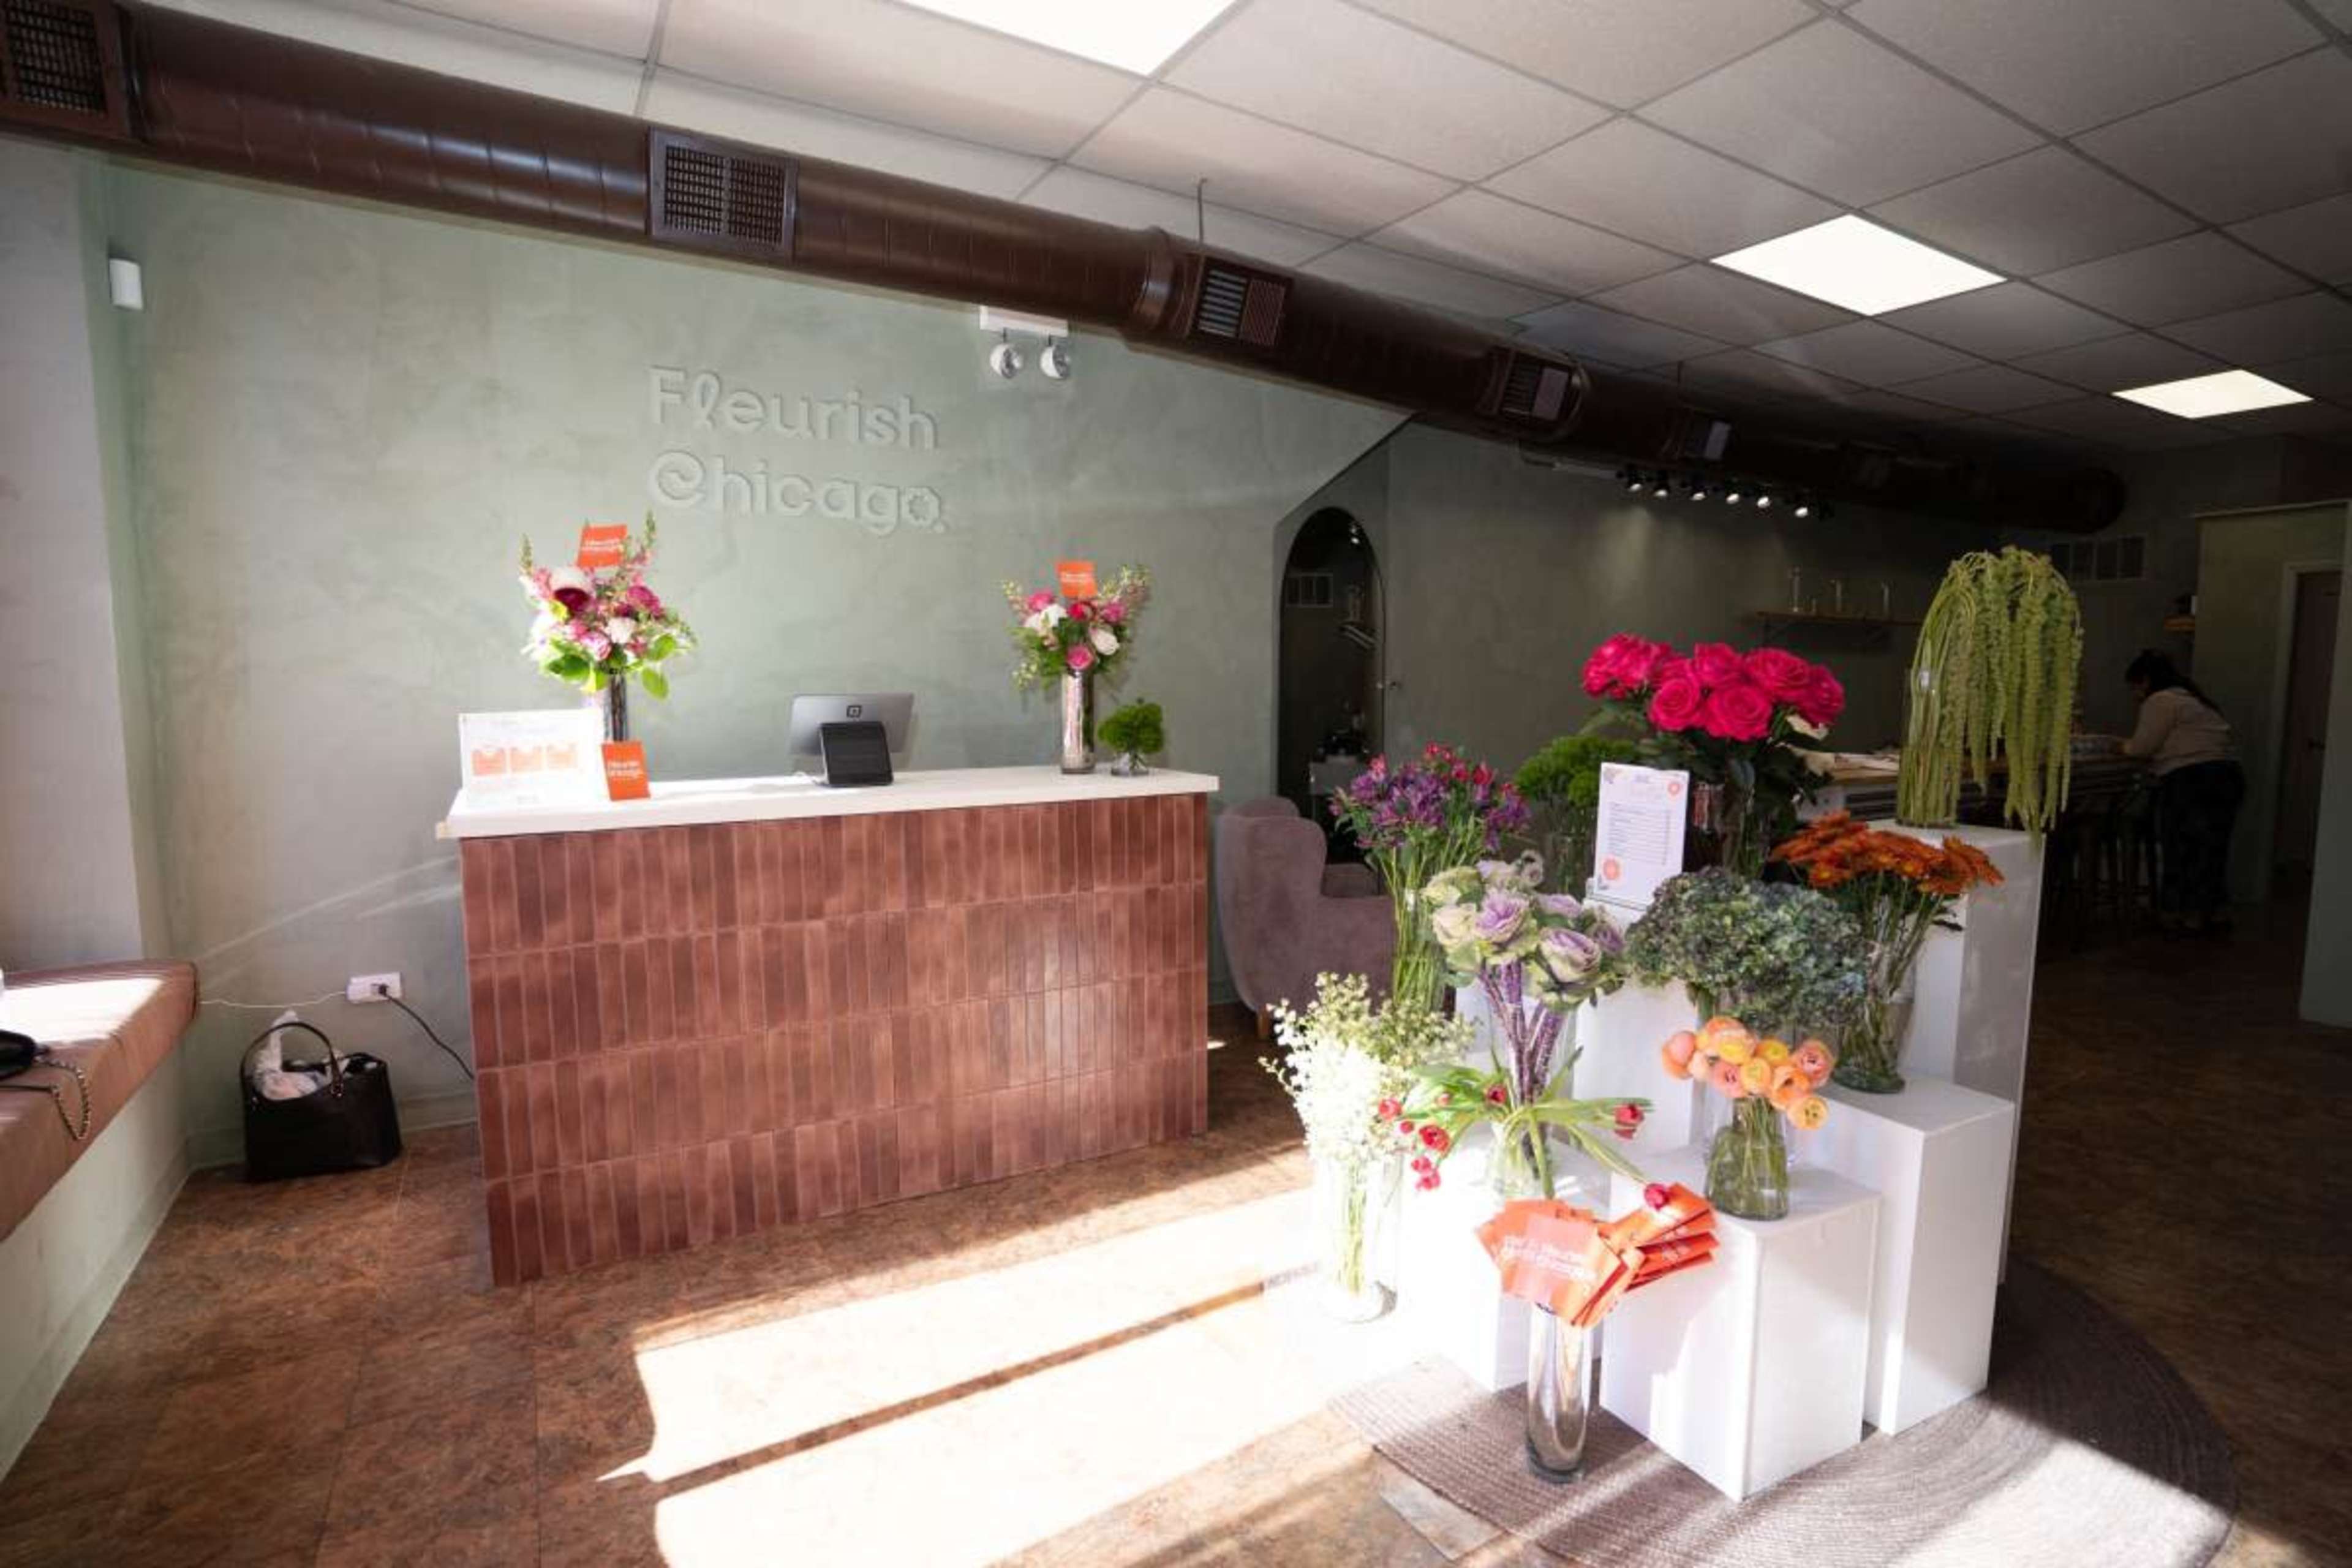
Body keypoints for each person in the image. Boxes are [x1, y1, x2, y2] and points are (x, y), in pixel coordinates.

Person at [2120, 649, 2243, 933]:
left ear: (2146, 681)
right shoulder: (2195, 701)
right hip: (2227, 777)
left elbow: (2142, 748)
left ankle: (2179, 914)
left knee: (2182, 849)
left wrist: (2118, 745)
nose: (2135, 695)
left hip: (2191, 780)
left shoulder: (2161, 701)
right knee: (2211, 850)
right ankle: (2213, 912)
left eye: (2135, 687)